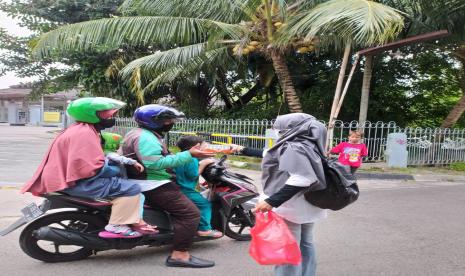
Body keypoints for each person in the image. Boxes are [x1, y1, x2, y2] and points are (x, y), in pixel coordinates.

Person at [21, 97, 155, 238]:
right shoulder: (85, 133)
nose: (112, 117)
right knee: (132, 188)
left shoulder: (80, 129)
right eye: (108, 114)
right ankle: (117, 225)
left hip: (65, 180)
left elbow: (90, 159)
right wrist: (117, 168)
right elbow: (90, 169)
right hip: (78, 183)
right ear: (91, 114)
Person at [120, 104, 216, 268]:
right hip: (153, 183)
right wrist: (188, 155)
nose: (170, 122)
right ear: (153, 121)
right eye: (167, 120)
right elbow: (155, 164)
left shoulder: (140, 133)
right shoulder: (146, 138)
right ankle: (180, 255)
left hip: (145, 181)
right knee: (190, 214)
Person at [252, 113, 328, 276]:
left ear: (289, 129)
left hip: (292, 206)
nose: (276, 130)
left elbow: (303, 177)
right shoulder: (309, 143)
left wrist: (273, 201)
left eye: (278, 127)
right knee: (306, 243)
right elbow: (272, 155)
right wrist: (242, 149)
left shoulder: (293, 146)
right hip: (309, 203)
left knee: (288, 245)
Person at [174, 136, 222, 238]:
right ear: (197, 147)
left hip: (178, 186)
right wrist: (203, 164)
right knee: (204, 204)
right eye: (204, 145)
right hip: (186, 189)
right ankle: (204, 229)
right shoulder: (191, 159)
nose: (206, 147)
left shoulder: (180, 155)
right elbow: (193, 175)